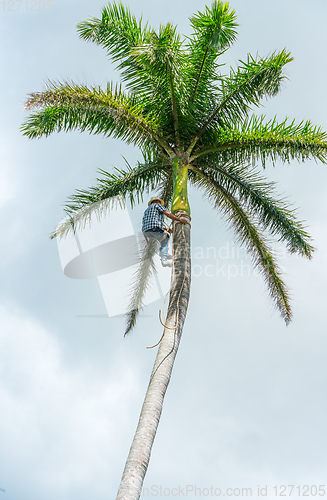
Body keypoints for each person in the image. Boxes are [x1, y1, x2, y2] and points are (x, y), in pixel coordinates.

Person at [142, 197, 189, 267]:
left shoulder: (146, 210)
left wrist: (164, 228)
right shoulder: (158, 205)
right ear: (157, 201)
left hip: (146, 232)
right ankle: (164, 260)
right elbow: (168, 214)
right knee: (164, 241)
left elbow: (149, 222)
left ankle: (163, 253)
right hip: (154, 229)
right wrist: (179, 220)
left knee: (166, 236)